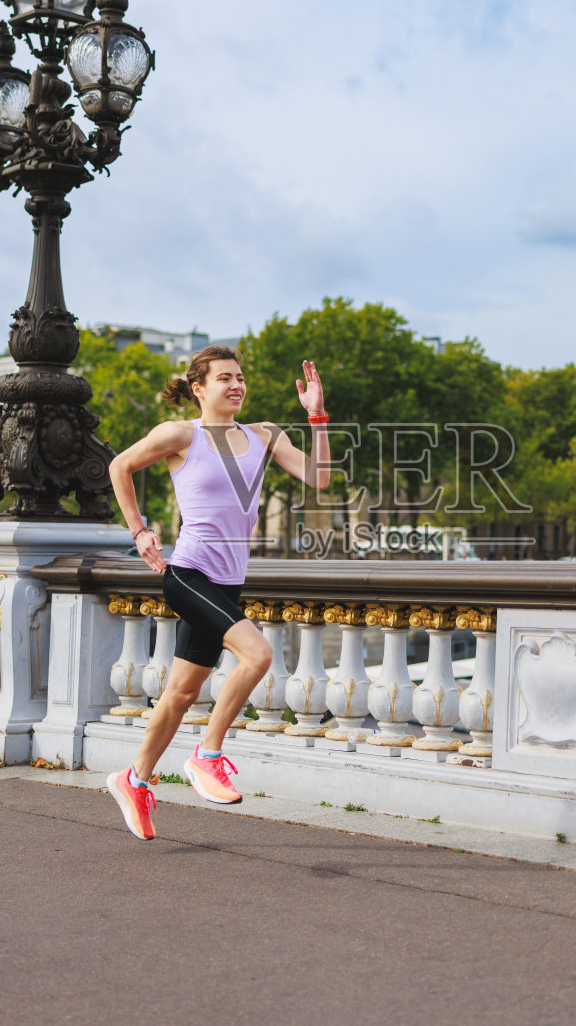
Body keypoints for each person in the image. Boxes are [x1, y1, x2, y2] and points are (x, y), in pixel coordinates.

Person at [103, 345, 331, 840]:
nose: (236, 385)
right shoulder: (181, 435)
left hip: (228, 583)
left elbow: (321, 478)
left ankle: (134, 778)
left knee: (181, 693)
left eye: (240, 377)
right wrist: (139, 531)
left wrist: (318, 417)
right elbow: (119, 467)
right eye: (224, 377)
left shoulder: (264, 435)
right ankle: (208, 754)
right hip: (188, 573)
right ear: (198, 388)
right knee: (259, 654)